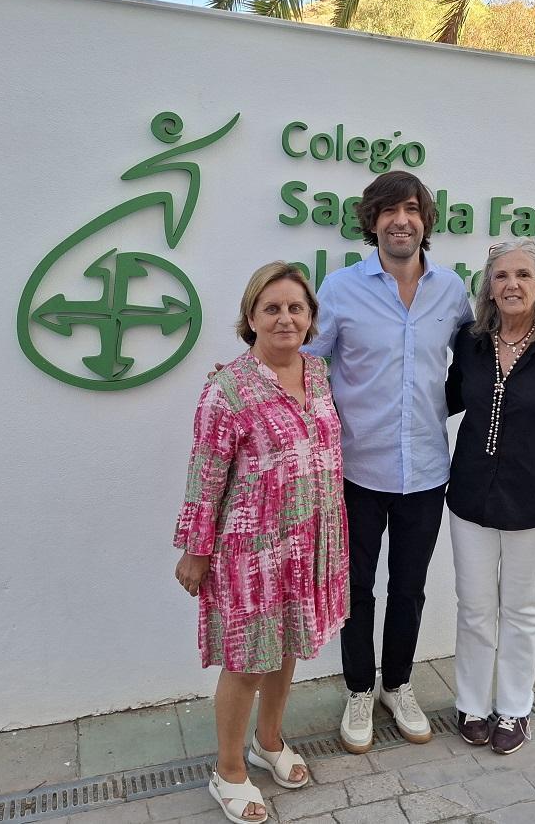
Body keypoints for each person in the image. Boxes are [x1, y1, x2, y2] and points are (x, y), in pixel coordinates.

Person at [173, 261, 348, 824]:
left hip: (309, 543)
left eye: (296, 307)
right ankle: (228, 770)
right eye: (271, 308)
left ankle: (268, 743)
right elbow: (206, 473)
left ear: (311, 318)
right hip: (252, 552)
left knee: (287, 648)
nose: (285, 317)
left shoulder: (318, 374)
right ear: (251, 318)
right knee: (246, 662)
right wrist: (196, 548)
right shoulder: (228, 387)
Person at [306, 170, 474, 753]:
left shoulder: (452, 291)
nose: (400, 220)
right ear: (371, 221)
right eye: (388, 211)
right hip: (356, 470)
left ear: (425, 220)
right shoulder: (340, 289)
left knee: (410, 588)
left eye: (411, 209)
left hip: (427, 470)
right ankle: (358, 688)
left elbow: (474, 363)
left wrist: (442, 405)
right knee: (356, 588)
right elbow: (307, 364)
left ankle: (397, 684)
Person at [444, 238, 535, 755]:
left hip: (534, 503)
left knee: (523, 609)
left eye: (522, 275)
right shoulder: (472, 342)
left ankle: (513, 708)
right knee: (476, 607)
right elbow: (440, 397)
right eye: (501, 276)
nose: (511, 284)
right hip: (470, 498)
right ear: (489, 287)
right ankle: (471, 703)